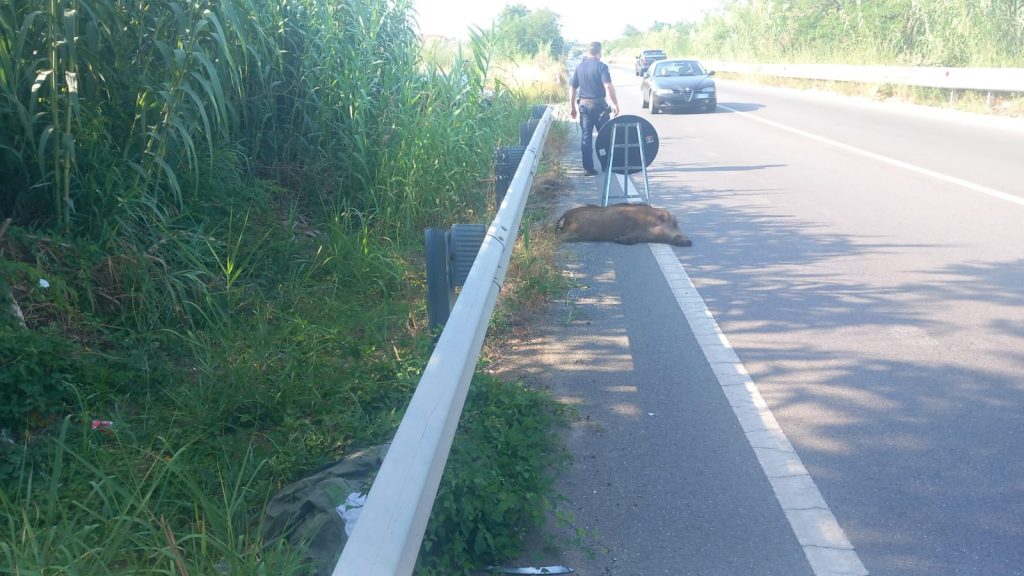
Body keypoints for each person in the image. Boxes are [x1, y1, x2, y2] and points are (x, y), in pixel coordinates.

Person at [570, 42, 620, 176]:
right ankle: (606, 164)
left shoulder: (579, 67)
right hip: (599, 107)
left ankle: (588, 168)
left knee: (586, 138)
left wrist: (572, 107)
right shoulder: (601, 67)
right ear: (599, 52)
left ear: (588, 52)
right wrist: (615, 104)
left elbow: (573, 89)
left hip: (584, 106)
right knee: (604, 137)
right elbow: (608, 86)